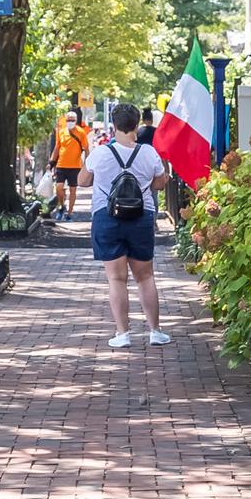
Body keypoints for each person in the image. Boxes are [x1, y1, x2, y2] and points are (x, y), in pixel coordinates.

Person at [79, 102, 171, 348]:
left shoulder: (100, 153)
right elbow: (159, 184)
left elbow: (83, 181)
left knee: (116, 279)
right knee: (145, 276)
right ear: (137, 125)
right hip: (141, 217)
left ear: (114, 124)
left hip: (107, 218)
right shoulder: (149, 153)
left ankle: (122, 334)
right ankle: (155, 331)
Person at [49, 109, 89, 220]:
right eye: (68, 120)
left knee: (73, 189)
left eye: (72, 120)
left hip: (75, 166)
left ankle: (70, 213)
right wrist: (51, 162)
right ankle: (62, 206)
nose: (70, 121)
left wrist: (87, 163)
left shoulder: (81, 132)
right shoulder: (61, 132)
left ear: (76, 121)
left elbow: (86, 149)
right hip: (61, 165)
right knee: (59, 187)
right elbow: (57, 148)